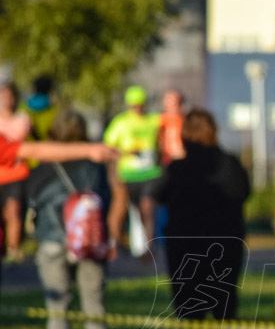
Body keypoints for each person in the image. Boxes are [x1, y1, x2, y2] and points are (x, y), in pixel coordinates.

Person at [156, 110, 250, 329]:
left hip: (186, 253)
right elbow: (245, 193)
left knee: (190, 315)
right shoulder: (231, 165)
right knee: (225, 315)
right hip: (226, 251)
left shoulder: (178, 169)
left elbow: (160, 194)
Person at [25, 109, 118, 329]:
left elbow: (33, 199)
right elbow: (110, 197)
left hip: (53, 239)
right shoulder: (95, 164)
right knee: (94, 306)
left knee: (57, 308)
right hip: (89, 241)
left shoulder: (43, 163)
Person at [0, 119, 116, 298]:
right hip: (83, 240)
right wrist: (89, 150)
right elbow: (33, 150)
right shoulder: (94, 169)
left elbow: (31, 152)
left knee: (58, 305)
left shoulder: (41, 169)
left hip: (52, 237)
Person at [104, 85, 163, 253]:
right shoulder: (121, 122)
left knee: (147, 209)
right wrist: (116, 169)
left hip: (149, 174)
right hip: (126, 174)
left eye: (140, 104)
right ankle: (113, 245)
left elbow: (162, 142)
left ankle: (149, 249)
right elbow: (109, 148)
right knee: (119, 209)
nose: (137, 108)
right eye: (133, 104)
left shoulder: (154, 120)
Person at [0, 82, 32, 261]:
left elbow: (33, 147)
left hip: (17, 173)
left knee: (14, 211)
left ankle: (13, 249)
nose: (7, 100)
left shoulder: (23, 119)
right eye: (3, 96)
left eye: (10, 96)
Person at [158, 89, 187, 166]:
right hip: (166, 161)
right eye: (168, 102)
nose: (171, 106)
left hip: (183, 161)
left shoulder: (186, 121)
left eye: (174, 103)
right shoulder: (160, 121)